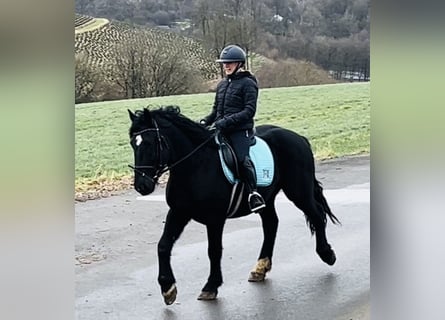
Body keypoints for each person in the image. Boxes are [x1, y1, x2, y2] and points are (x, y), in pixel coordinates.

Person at [200, 44, 266, 213]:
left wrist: (226, 122)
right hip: (222, 129)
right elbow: (216, 111)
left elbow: (248, 111)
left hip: (240, 131)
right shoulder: (222, 85)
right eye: (224, 63)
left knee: (240, 158)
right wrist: (205, 122)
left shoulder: (248, 84)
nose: (226, 66)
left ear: (240, 64)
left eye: (230, 63)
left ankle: (253, 194)